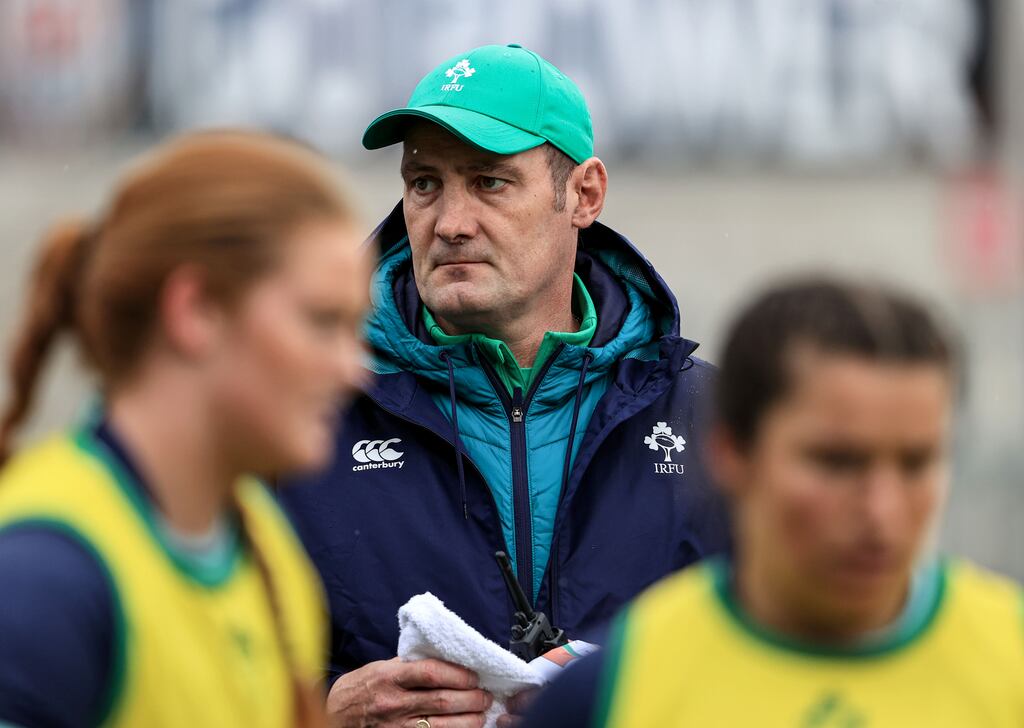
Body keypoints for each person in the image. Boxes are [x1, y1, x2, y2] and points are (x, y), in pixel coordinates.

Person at [276, 44, 730, 727]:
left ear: (583, 193)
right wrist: (320, 713)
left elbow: (792, 666)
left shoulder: (714, 418)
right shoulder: (300, 416)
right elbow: (193, 675)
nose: (449, 222)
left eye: (489, 181)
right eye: (424, 183)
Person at [521, 278, 1024, 727]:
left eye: (916, 463)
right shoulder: (610, 691)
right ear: (731, 453)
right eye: (837, 462)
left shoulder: (1011, 656)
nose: (882, 512)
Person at [0, 131, 371, 728]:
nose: (353, 368)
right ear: (195, 310)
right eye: (322, 322)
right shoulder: (45, 574)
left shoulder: (264, 544)